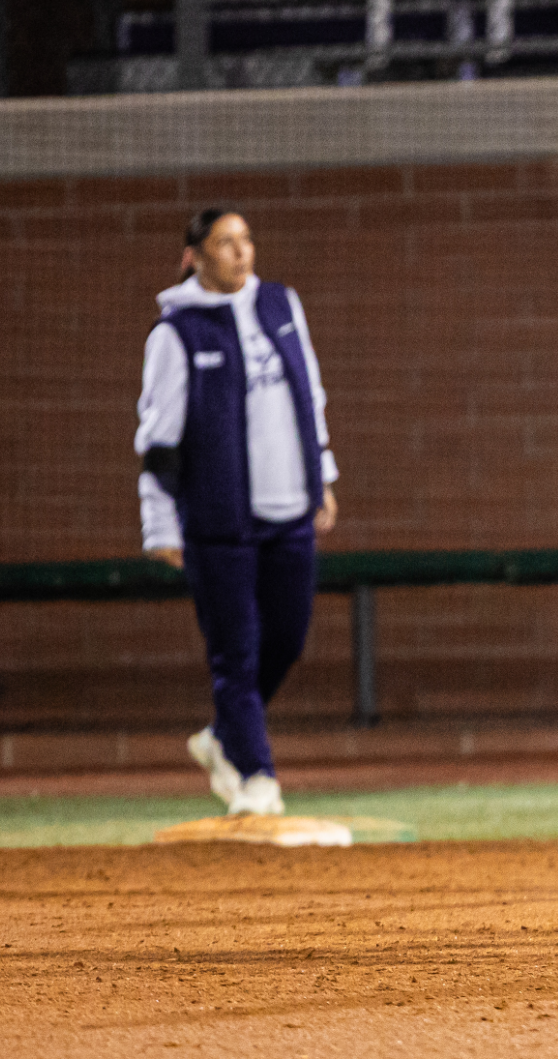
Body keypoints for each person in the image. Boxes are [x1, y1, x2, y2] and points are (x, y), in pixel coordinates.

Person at [136, 209, 338, 817]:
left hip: (290, 509)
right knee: (236, 650)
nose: (242, 252)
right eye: (225, 243)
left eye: (247, 239)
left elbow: (312, 392)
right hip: (219, 520)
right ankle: (255, 777)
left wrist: (321, 474)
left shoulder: (282, 305)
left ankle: (224, 736)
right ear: (195, 256)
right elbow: (159, 438)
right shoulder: (176, 333)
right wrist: (160, 523)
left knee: (288, 637)